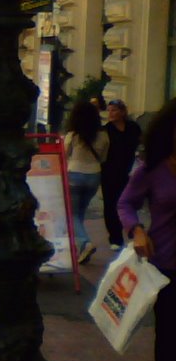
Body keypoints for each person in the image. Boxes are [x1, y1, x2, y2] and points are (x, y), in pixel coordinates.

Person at [118, 98, 176, 361]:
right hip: (167, 265)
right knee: (170, 337)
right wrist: (136, 229)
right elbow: (125, 203)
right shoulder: (153, 168)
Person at [64, 99, 109, 264]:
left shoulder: (73, 135)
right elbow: (104, 157)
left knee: (71, 214)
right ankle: (80, 249)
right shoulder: (103, 135)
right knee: (80, 212)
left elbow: (64, 155)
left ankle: (84, 242)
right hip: (94, 176)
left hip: (74, 174)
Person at [101, 98, 142, 251]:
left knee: (127, 202)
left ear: (123, 112)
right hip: (109, 172)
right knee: (110, 204)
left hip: (128, 171)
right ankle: (115, 238)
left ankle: (133, 233)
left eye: (114, 110)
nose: (111, 113)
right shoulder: (106, 130)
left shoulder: (133, 127)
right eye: (109, 110)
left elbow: (140, 144)